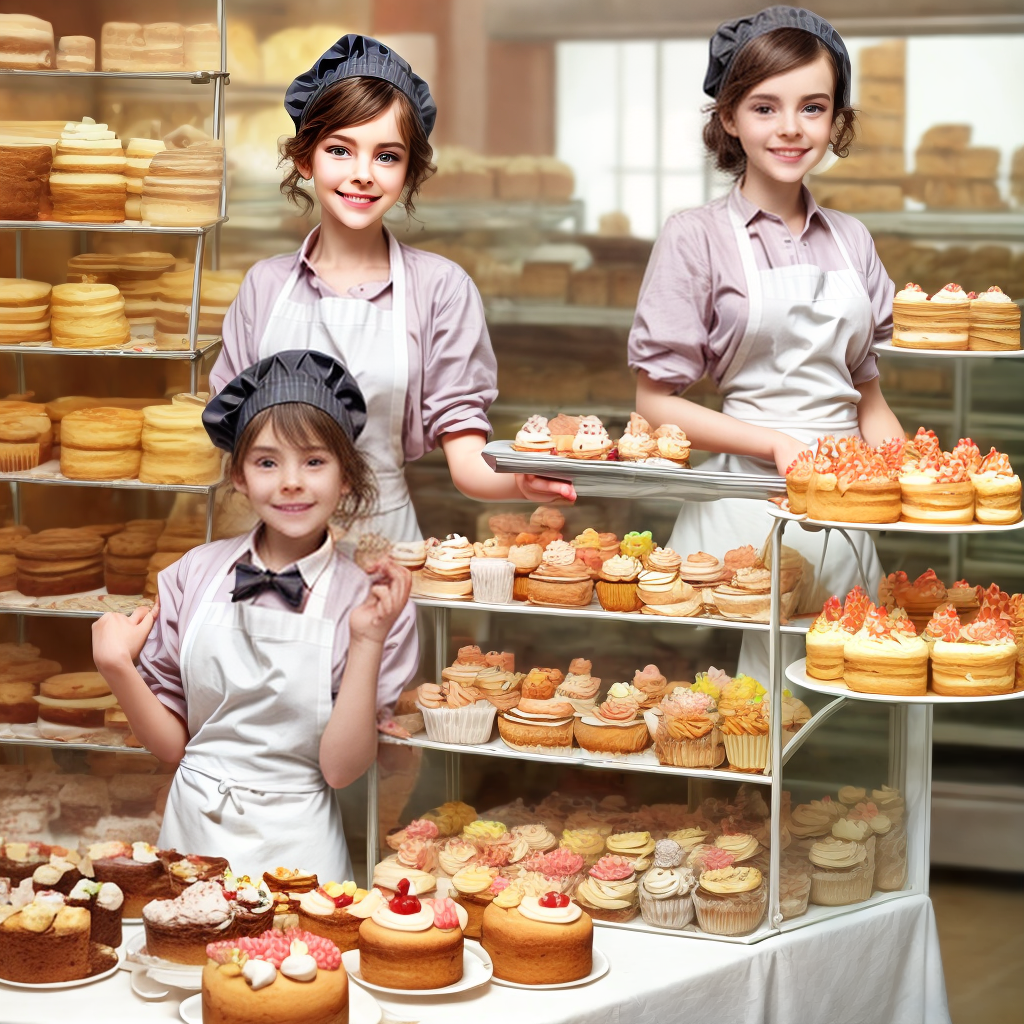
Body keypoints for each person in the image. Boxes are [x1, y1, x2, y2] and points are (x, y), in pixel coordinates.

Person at [210, 35, 572, 544]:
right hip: (271, 546)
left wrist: (520, 479)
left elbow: (466, 460)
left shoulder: (441, 289)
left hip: (382, 549)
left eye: (387, 156)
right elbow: (238, 445)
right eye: (340, 149)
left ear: (408, 173)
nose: (362, 175)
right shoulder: (264, 287)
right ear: (305, 159)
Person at [628, 6, 904, 676]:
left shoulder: (852, 239)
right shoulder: (696, 236)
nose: (790, 128)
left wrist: (909, 481)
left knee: (840, 705)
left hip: (844, 517)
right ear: (728, 117)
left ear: (835, 119)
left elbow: (867, 397)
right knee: (739, 724)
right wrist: (778, 444)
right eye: (764, 107)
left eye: (813, 107)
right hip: (744, 516)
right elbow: (654, 403)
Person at [92, 350, 416, 879]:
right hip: (192, 837)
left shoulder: (370, 603)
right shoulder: (192, 575)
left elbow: (340, 770)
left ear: (346, 479)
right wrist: (117, 669)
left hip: (301, 851)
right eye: (267, 462)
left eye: (314, 461)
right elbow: (173, 746)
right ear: (239, 476)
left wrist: (367, 642)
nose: (291, 482)